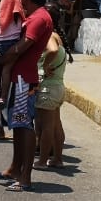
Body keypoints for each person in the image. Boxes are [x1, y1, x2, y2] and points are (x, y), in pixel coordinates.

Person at [0, 0, 55, 192]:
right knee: (18, 126)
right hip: (19, 80)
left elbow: (21, 47)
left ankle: (25, 177)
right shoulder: (37, 17)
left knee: (23, 125)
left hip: (22, 82)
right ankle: (16, 168)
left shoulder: (39, 18)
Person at [36, 9, 68, 168]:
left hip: (48, 88)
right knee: (56, 124)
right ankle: (57, 158)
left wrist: (45, 66)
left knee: (46, 125)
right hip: (58, 87)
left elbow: (53, 50)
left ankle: (42, 161)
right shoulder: (58, 37)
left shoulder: (49, 37)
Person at [0, 0, 25, 138]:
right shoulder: (21, 20)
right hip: (12, 48)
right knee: (7, 70)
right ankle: (3, 96)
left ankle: (0, 130)